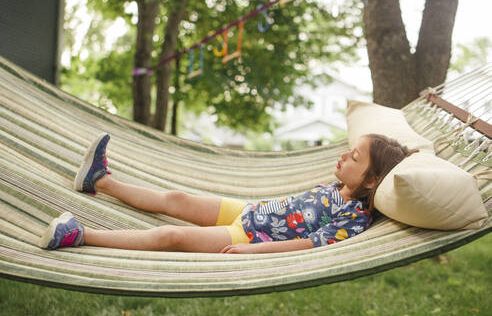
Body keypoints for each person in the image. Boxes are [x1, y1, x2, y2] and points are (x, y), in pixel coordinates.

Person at [39, 132, 417, 254]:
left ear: (372, 180)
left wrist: (252, 250)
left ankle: (78, 235)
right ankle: (99, 181)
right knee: (177, 199)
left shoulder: (356, 217)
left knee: (171, 235)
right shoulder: (339, 187)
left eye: (353, 157)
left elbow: (311, 245)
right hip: (249, 209)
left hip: (248, 234)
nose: (342, 156)